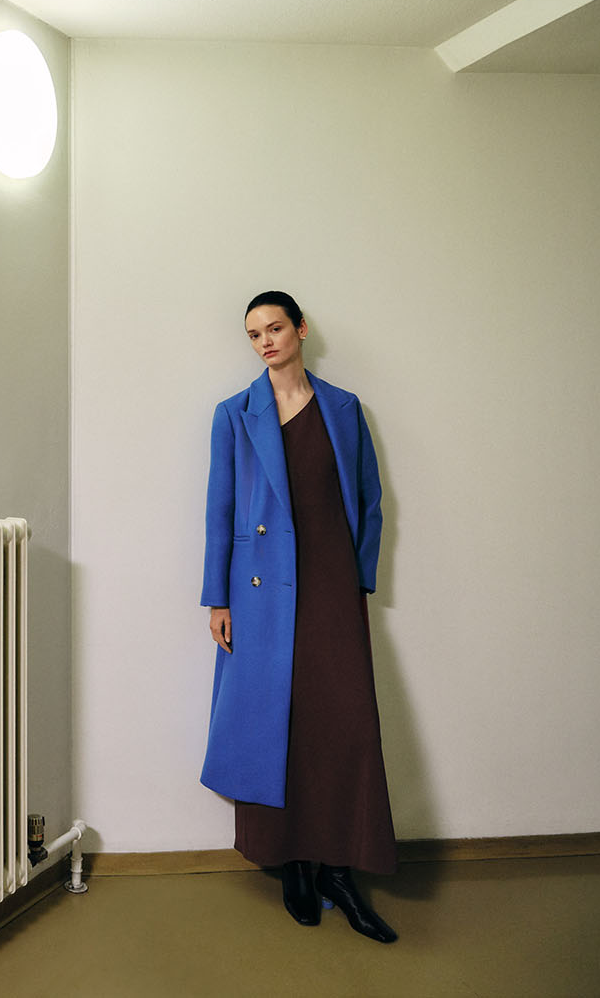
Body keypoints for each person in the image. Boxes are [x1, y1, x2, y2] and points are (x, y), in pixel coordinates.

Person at [199, 291, 398, 943]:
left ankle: (340, 869)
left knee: (343, 724)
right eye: (254, 333)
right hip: (261, 595)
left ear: (301, 329)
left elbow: (369, 500)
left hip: (333, 589)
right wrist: (218, 599)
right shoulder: (234, 415)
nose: (265, 341)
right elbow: (220, 513)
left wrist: (357, 579)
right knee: (273, 722)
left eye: (275, 327)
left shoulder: (343, 408)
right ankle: (291, 864)